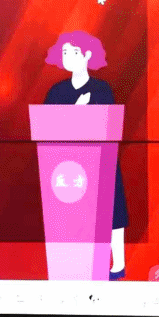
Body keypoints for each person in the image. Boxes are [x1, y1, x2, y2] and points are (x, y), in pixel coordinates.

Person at [43, 31, 128, 280]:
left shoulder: (102, 89)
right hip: (68, 164)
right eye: (65, 52)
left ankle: (117, 265)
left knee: (112, 213)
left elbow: (108, 126)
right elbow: (46, 127)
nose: (68, 57)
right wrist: (77, 110)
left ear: (87, 55)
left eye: (73, 52)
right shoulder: (57, 92)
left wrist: (73, 118)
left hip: (102, 160)